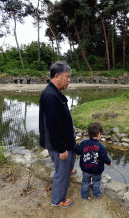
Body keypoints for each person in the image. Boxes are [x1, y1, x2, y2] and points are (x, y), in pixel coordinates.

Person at [39, 61, 76, 208]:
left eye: (69, 77)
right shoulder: (50, 96)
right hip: (58, 143)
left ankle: (67, 168)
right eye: (67, 77)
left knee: (67, 163)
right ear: (57, 76)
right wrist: (61, 149)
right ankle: (58, 200)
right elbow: (53, 126)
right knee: (61, 172)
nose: (69, 80)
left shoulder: (54, 92)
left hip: (64, 140)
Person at [74, 122, 112, 200]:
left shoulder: (84, 143)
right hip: (97, 170)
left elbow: (77, 151)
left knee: (85, 183)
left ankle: (84, 196)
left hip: (86, 169)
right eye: (101, 134)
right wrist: (109, 162)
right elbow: (104, 158)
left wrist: (74, 146)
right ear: (99, 134)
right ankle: (96, 195)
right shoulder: (101, 147)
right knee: (97, 182)